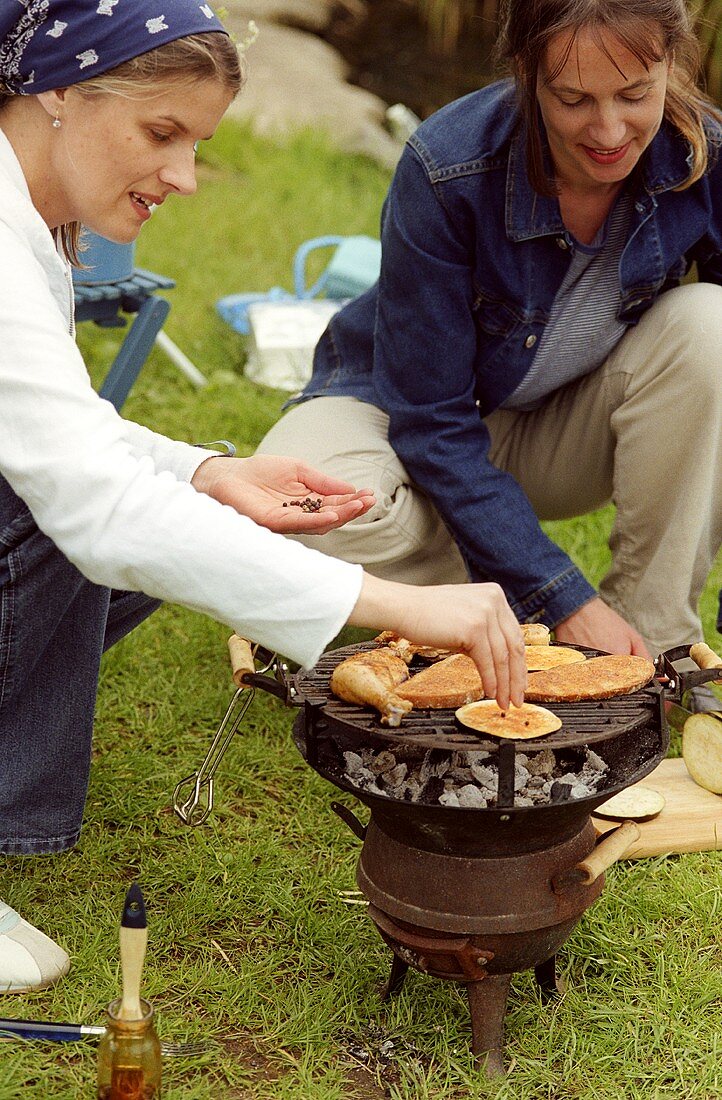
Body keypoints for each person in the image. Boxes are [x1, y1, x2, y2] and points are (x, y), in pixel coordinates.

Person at [0, 2, 527, 994]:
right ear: (59, 94)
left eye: (196, 145)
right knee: (80, 519)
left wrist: (210, 472)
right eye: (163, 134)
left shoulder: (32, 215)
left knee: (166, 509)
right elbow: (90, 498)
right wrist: (403, 603)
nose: (184, 178)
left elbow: (44, 421)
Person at [259, 0, 722, 664]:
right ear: (527, 75)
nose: (610, 129)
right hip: (395, 413)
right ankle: (494, 592)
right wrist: (560, 595)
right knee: (296, 523)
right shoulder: (447, 167)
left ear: (671, 64)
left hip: (551, 431)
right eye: (573, 100)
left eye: (634, 94)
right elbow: (429, 420)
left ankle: (650, 641)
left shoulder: (707, 157)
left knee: (712, 326)